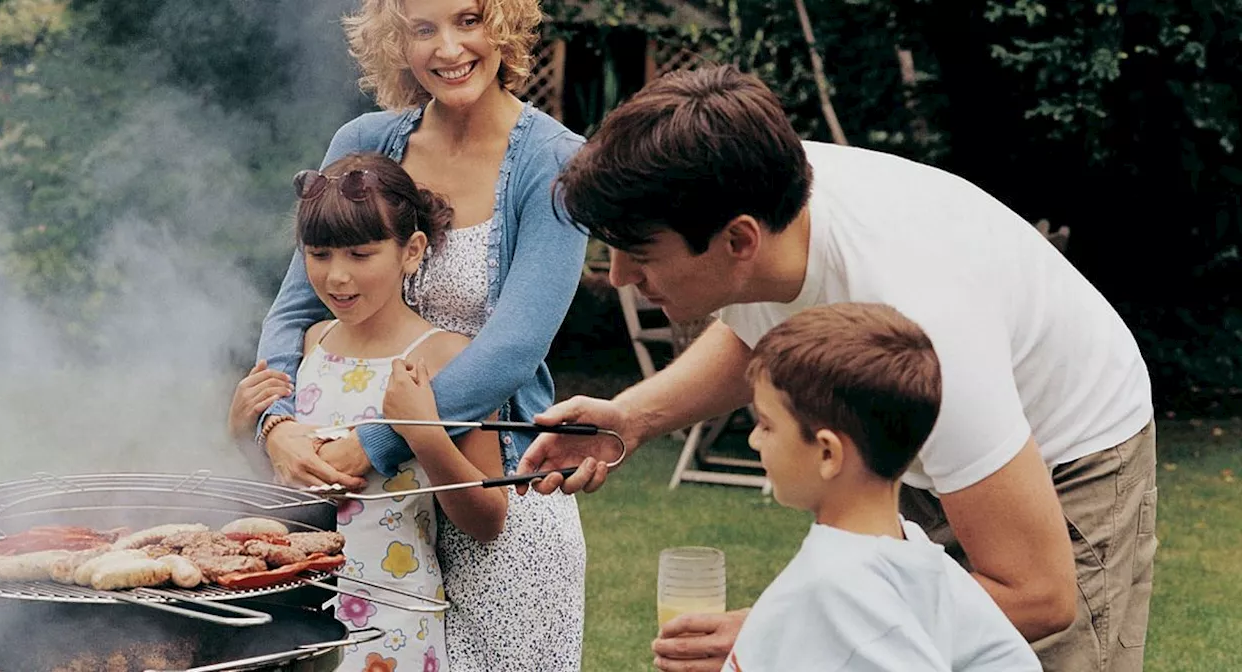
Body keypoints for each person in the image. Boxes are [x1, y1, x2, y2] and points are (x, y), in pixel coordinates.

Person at [517, 65, 1157, 672]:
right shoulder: (755, 199)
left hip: (1064, 455)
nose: (620, 277)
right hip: (924, 444)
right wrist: (629, 419)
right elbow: (754, 335)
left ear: (739, 241)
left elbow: (1039, 594)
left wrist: (787, 634)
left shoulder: (927, 321)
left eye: (638, 254)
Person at [227, 0, 590, 668]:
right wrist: (276, 423)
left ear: (503, 24)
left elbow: (512, 349)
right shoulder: (364, 142)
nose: (448, 48)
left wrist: (377, 443)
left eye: (468, 20)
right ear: (397, 41)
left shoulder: (556, 162)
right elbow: (292, 308)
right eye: (423, 29)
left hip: (497, 491)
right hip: (367, 510)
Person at [284, 152, 510, 672]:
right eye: (319, 254)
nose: (337, 277)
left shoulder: (448, 358)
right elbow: (282, 484)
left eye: (361, 255)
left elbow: (488, 520)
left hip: (394, 620)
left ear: (411, 251)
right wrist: (246, 428)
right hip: (295, 609)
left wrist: (424, 434)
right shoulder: (312, 344)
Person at [724, 302, 1041, 672]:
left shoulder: (838, 588)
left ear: (828, 452)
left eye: (766, 424)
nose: (753, 440)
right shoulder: (921, 558)